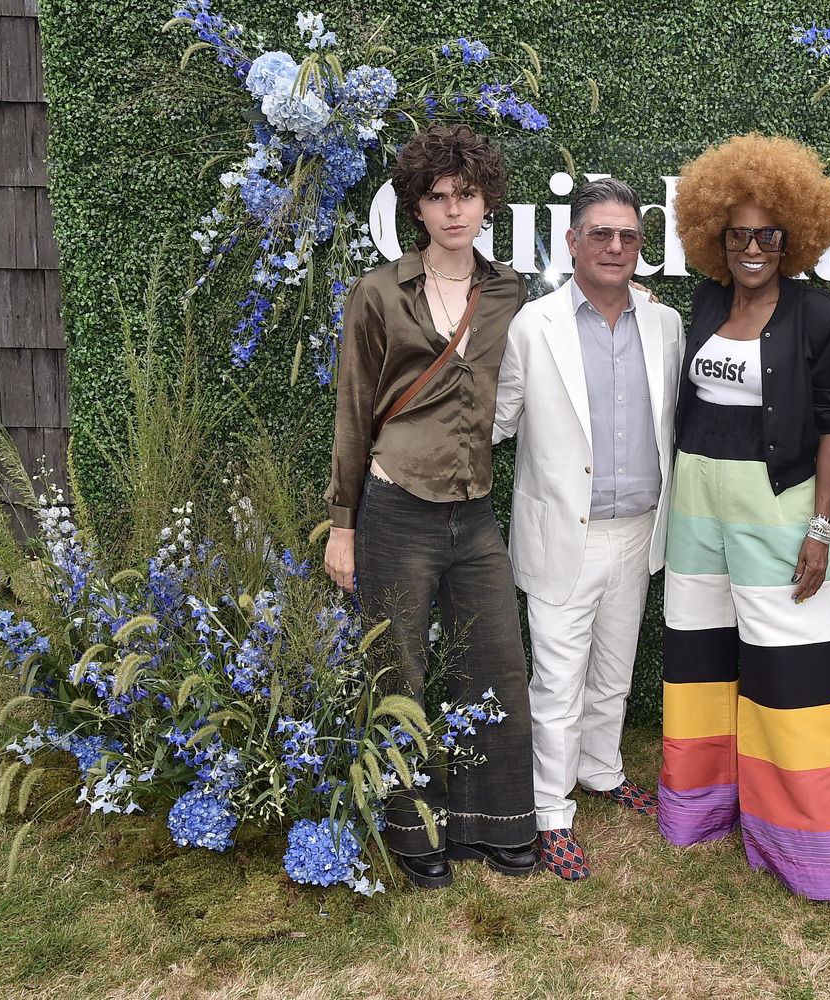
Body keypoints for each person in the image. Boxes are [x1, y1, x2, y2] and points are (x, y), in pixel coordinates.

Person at [323, 124, 537, 890]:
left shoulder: (512, 292)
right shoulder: (381, 291)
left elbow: (557, 353)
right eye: (438, 197)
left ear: (487, 201)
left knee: (496, 667)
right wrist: (342, 525)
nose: (454, 211)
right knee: (398, 672)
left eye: (467, 195)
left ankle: (496, 824)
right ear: (416, 207)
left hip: (474, 510)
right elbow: (353, 409)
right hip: (395, 507)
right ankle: (413, 832)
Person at [658, 133, 830, 904]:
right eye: (737, 233)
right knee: (700, 660)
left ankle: (807, 845)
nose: (751, 247)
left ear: (792, 237)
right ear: (717, 234)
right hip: (696, 501)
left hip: (775, 505)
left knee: (793, 669)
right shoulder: (706, 301)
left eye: (766, 234)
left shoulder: (817, 314)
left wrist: (820, 527)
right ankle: (701, 810)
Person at [493, 178, 685, 880]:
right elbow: (498, 420)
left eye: (628, 236)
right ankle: (550, 809)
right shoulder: (532, 325)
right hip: (560, 534)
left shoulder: (664, 324)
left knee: (614, 669)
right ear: (571, 242)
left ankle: (603, 770)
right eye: (599, 234)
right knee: (558, 681)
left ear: (642, 247)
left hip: (639, 528)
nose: (614, 246)